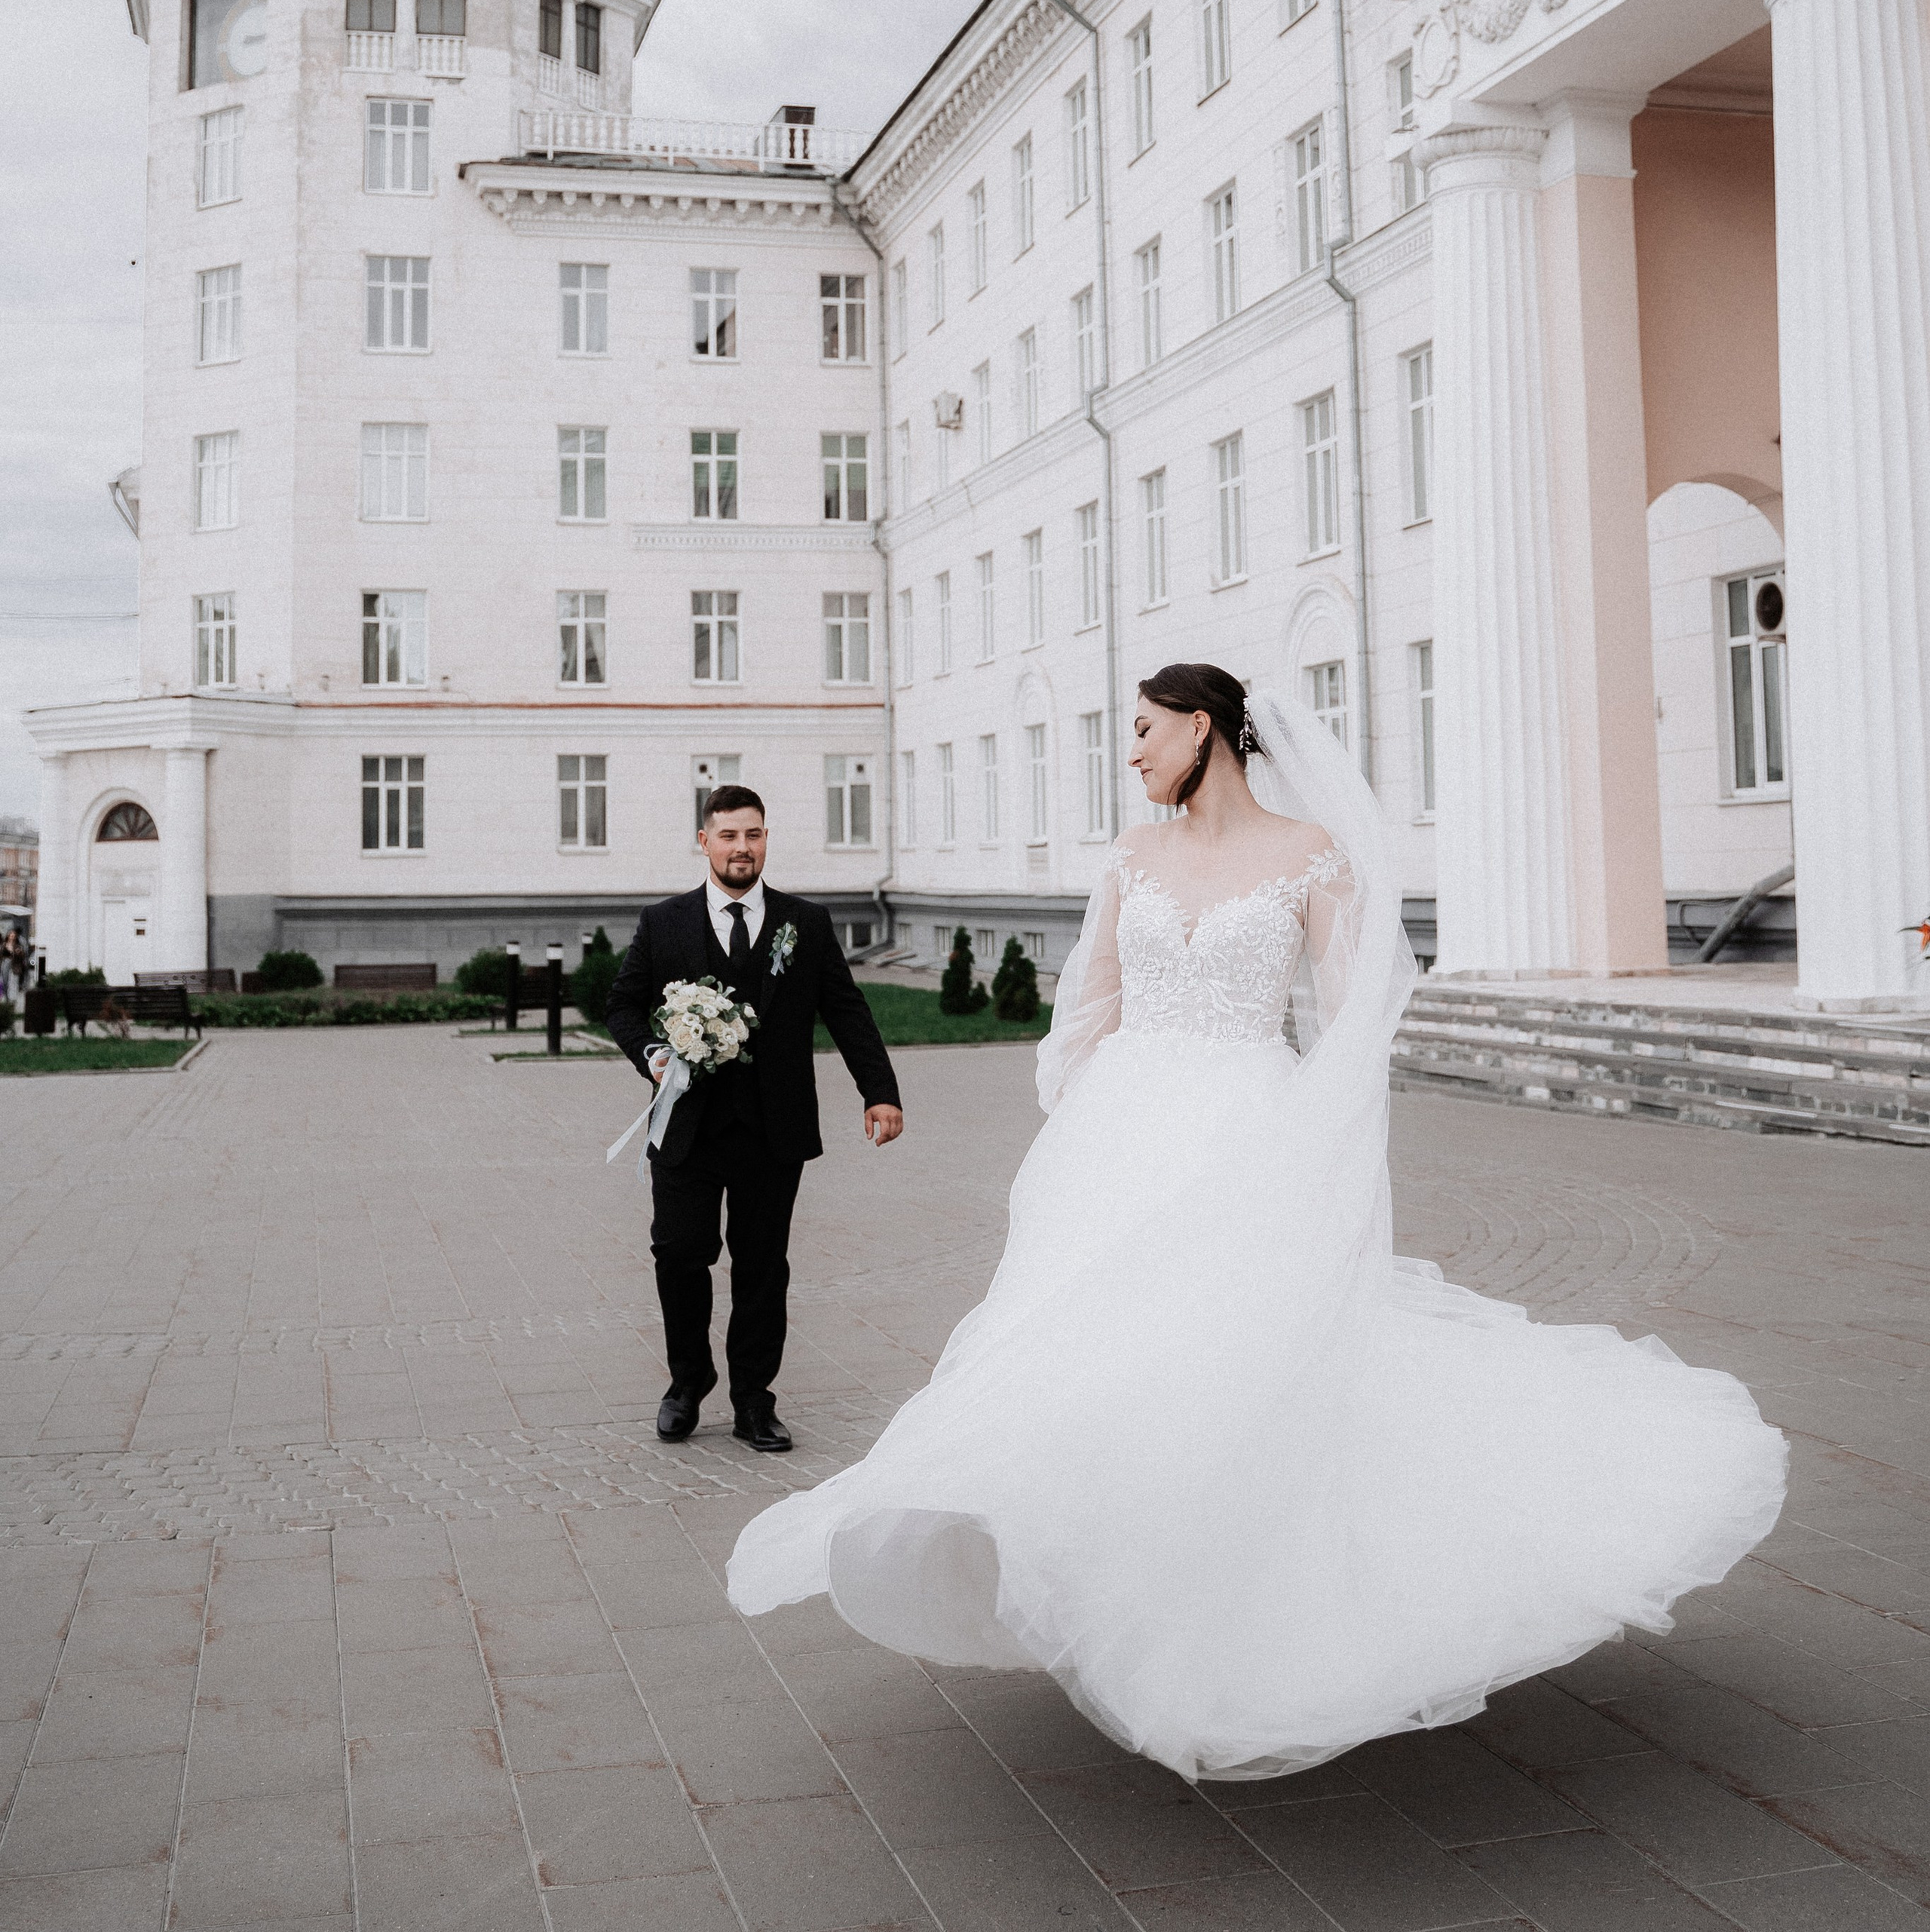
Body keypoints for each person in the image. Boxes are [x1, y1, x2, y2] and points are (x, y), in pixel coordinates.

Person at [727, 663, 1787, 1781]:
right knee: (1103, 1369)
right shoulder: (1130, 859)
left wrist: (1319, 1137)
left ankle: (1244, 1605)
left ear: (1202, 727)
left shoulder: (1308, 856)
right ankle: (1121, 1572)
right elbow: (1087, 1012)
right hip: (1124, 1140)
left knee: (1244, 1365)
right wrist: (1077, 1150)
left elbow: (1360, 1009)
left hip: (1251, 1126)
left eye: (1142, 731)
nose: (1129, 753)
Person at [607, 784, 903, 1455]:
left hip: (774, 1128)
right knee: (680, 1255)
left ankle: (753, 1400)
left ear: (766, 839)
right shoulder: (665, 923)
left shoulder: (806, 922)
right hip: (687, 1128)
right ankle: (687, 1383)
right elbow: (622, 1005)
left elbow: (847, 1010)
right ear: (704, 842)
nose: (743, 847)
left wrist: (879, 1092)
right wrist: (653, 1053)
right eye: (730, 835)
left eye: (755, 834)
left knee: (763, 1266)